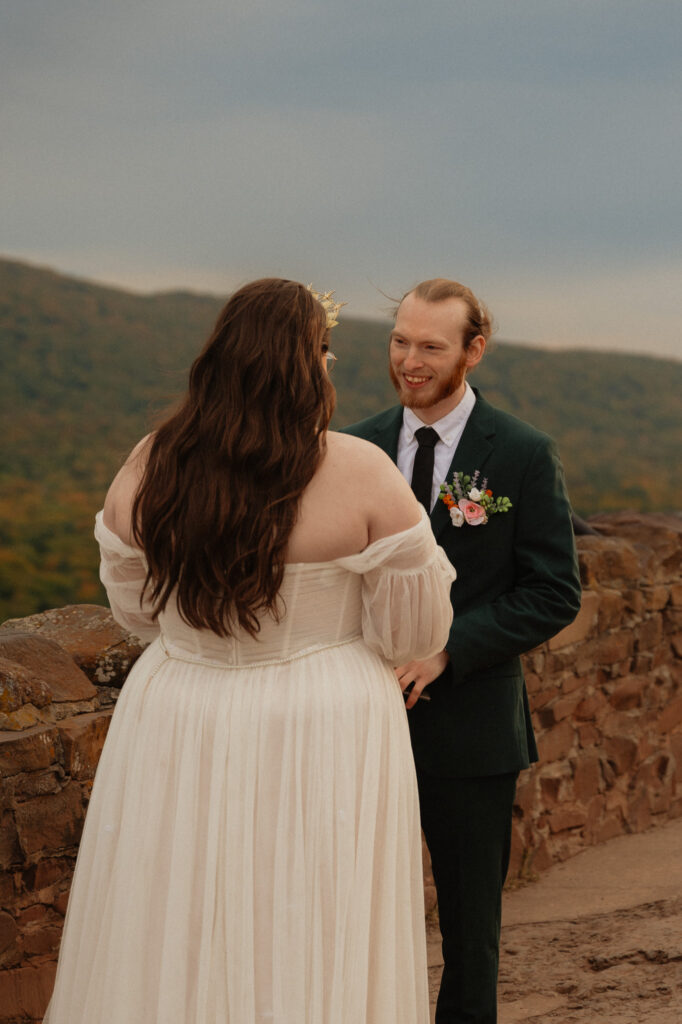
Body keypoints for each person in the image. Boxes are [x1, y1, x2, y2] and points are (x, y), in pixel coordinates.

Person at [44, 278, 457, 1024]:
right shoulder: (363, 470)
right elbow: (416, 637)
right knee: (313, 905)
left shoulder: (150, 464)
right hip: (324, 716)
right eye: (324, 350)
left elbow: (137, 612)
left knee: (172, 906)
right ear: (307, 365)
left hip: (178, 709)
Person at [343, 278, 582, 1024]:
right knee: (354, 912)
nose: (409, 362)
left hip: (473, 727)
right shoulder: (356, 446)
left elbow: (553, 591)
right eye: (400, 342)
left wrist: (449, 649)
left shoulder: (519, 454)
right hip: (359, 719)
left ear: (473, 351)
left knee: (470, 930)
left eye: (430, 347)